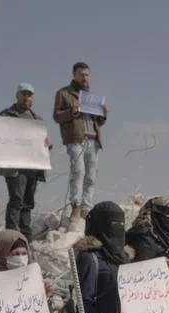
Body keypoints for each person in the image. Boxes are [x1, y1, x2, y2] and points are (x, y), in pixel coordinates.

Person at [0, 83, 53, 239]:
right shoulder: (6, 115)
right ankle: (12, 235)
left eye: (29, 95)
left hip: (33, 167)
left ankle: (25, 236)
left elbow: (42, 145)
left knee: (28, 202)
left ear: (33, 98)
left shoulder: (37, 120)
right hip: (14, 166)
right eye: (23, 94)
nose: (26, 98)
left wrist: (48, 143)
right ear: (17, 96)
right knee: (16, 199)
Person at [54, 62, 106, 231]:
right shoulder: (63, 93)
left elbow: (99, 122)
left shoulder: (91, 98)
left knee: (91, 176)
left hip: (93, 140)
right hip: (76, 139)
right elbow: (57, 116)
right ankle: (75, 207)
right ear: (74, 75)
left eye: (87, 75)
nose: (85, 78)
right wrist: (72, 112)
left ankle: (86, 209)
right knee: (78, 172)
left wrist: (104, 113)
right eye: (81, 74)